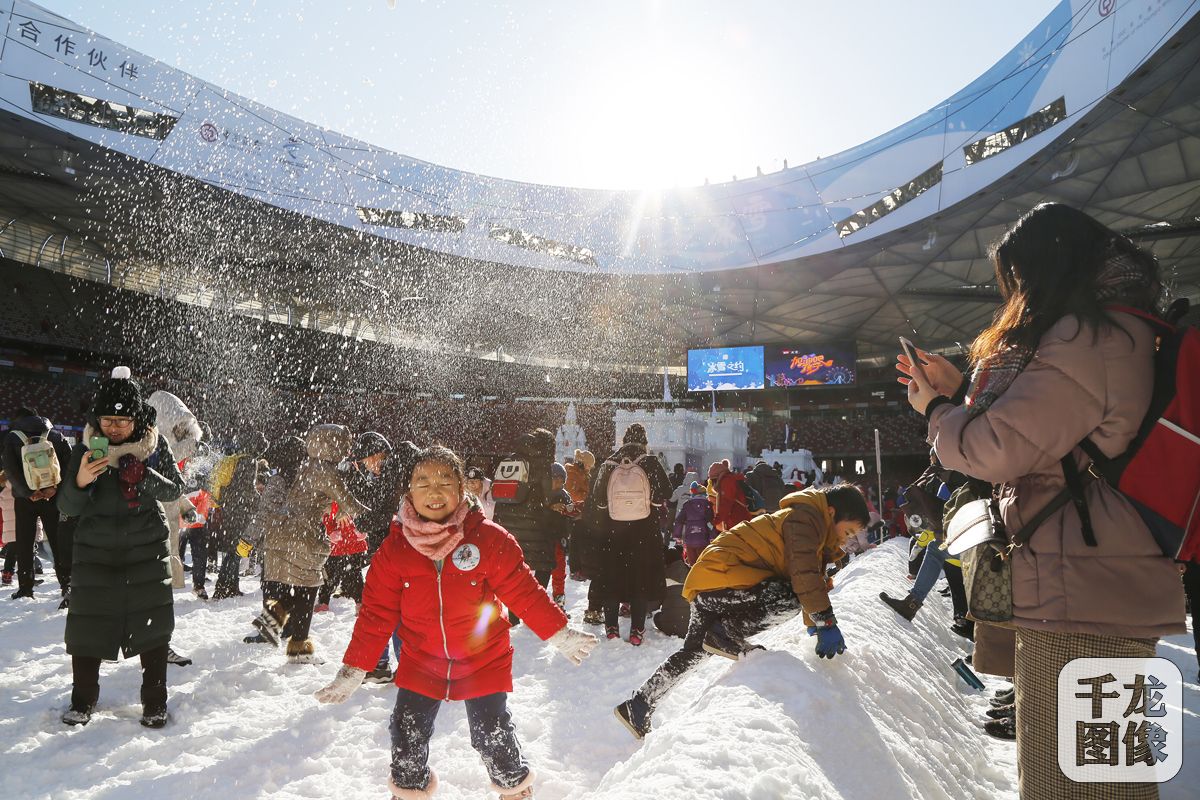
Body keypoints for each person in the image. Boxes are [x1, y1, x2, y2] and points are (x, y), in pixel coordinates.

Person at [900, 203, 1186, 800]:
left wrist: (937, 410)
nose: (1015, 297)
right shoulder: (1119, 327)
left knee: (1074, 784)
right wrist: (960, 391)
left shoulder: (1087, 337)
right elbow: (1048, 431)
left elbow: (994, 448)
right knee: (1109, 776)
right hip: (1095, 581)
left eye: (1018, 279)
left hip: (1078, 592)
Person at [313, 446, 597, 800]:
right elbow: (376, 614)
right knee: (407, 731)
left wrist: (559, 633)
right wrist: (354, 669)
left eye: (445, 481)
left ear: (462, 487)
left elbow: (524, 591)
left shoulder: (488, 539)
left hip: (482, 656)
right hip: (421, 658)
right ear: (409, 491)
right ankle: (409, 791)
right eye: (423, 482)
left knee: (490, 732)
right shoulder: (395, 550)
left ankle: (514, 787)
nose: (434, 492)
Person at [614, 484, 870, 739]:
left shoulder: (812, 526)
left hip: (713, 581)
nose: (846, 539)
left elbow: (809, 576)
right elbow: (803, 579)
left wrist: (814, 624)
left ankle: (639, 705)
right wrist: (824, 621)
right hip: (722, 581)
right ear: (831, 512)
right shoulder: (805, 521)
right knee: (789, 598)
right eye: (847, 531)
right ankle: (724, 633)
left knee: (694, 652)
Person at [56, 367, 185, 727]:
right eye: (107, 420)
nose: (113, 428)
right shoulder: (85, 448)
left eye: (123, 421)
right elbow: (66, 506)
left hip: (146, 552)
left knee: (153, 630)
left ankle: (155, 703)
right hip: (95, 554)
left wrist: (144, 476)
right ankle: (82, 700)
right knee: (86, 629)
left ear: (137, 420)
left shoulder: (154, 447)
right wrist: (81, 480)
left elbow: (175, 489)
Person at [253, 424, 367, 665]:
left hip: (285, 532)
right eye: (343, 445)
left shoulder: (307, 466)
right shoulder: (327, 471)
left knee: (299, 588)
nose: (346, 451)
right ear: (332, 445)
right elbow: (350, 504)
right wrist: (378, 516)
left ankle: (272, 622)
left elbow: (314, 499)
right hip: (304, 535)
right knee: (307, 590)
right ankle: (298, 650)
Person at [589, 424, 672, 645]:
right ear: (644, 442)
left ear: (624, 441)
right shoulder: (650, 462)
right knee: (640, 579)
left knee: (611, 578)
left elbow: (597, 499)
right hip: (644, 532)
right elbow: (667, 491)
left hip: (612, 532)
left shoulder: (609, 463)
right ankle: (636, 630)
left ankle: (611, 628)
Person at [2, 406, 73, 603]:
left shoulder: (12, 438)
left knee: (24, 543)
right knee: (58, 543)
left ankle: (25, 588)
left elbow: (9, 469)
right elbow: (70, 464)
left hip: (24, 499)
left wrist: (28, 492)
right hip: (52, 497)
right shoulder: (56, 435)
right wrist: (55, 488)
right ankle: (66, 584)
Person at [673, 481, 715, 566]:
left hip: (690, 540)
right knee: (703, 563)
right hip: (703, 539)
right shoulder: (708, 505)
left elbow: (679, 520)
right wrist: (712, 536)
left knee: (692, 564)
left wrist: (677, 536)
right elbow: (711, 523)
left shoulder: (687, 505)